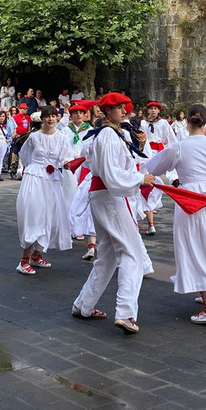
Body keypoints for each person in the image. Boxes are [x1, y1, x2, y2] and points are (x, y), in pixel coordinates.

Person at [146, 104, 206, 325]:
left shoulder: (179, 147)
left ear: (186, 122)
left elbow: (152, 167)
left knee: (195, 247)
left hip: (190, 199)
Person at [73, 92, 156, 334]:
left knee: (108, 256)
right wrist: (140, 178)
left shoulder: (108, 134)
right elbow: (112, 173)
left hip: (104, 196)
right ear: (107, 111)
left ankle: (83, 304)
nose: (124, 111)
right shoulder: (108, 135)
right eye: (119, 107)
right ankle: (125, 312)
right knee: (132, 254)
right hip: (110, 197)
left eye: (124, 107)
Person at [15, 106, 75, 275]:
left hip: (52, 180)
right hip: (34, 179)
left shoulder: (62, 137)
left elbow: (65, 158)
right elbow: (25, 155)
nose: (50, 119)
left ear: (57, 118)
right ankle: (24, 260)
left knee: (51, 217)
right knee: (34, 216)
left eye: (53, 116)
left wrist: (66, 164)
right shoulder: (34, 137)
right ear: (42, 119)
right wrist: (33, 169)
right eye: (47, 116)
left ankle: (36, 255)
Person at [64, 103, 97, 260]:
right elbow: (62, 146)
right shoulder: (65, 129)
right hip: (70, 163)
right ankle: (70, 227)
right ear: (70, 116)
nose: (78, 115)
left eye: (81, 113)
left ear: (85, 115)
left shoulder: (90, 130)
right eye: (75, 113)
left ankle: (80, 227)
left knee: (82, 196)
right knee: (70, 194)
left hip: (84, 164)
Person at [139, 101, 176, 235]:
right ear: (148, 111)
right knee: (148, 179)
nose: (153, 111)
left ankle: (151, 205)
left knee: (154, 180)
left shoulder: (164, 123)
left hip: (159, 152)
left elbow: (170, 139)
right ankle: (149, 207)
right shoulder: (143, 124)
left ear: (159, 111)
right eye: (151, 109)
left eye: (155, 109)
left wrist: (171, 151)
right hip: (146, 153)